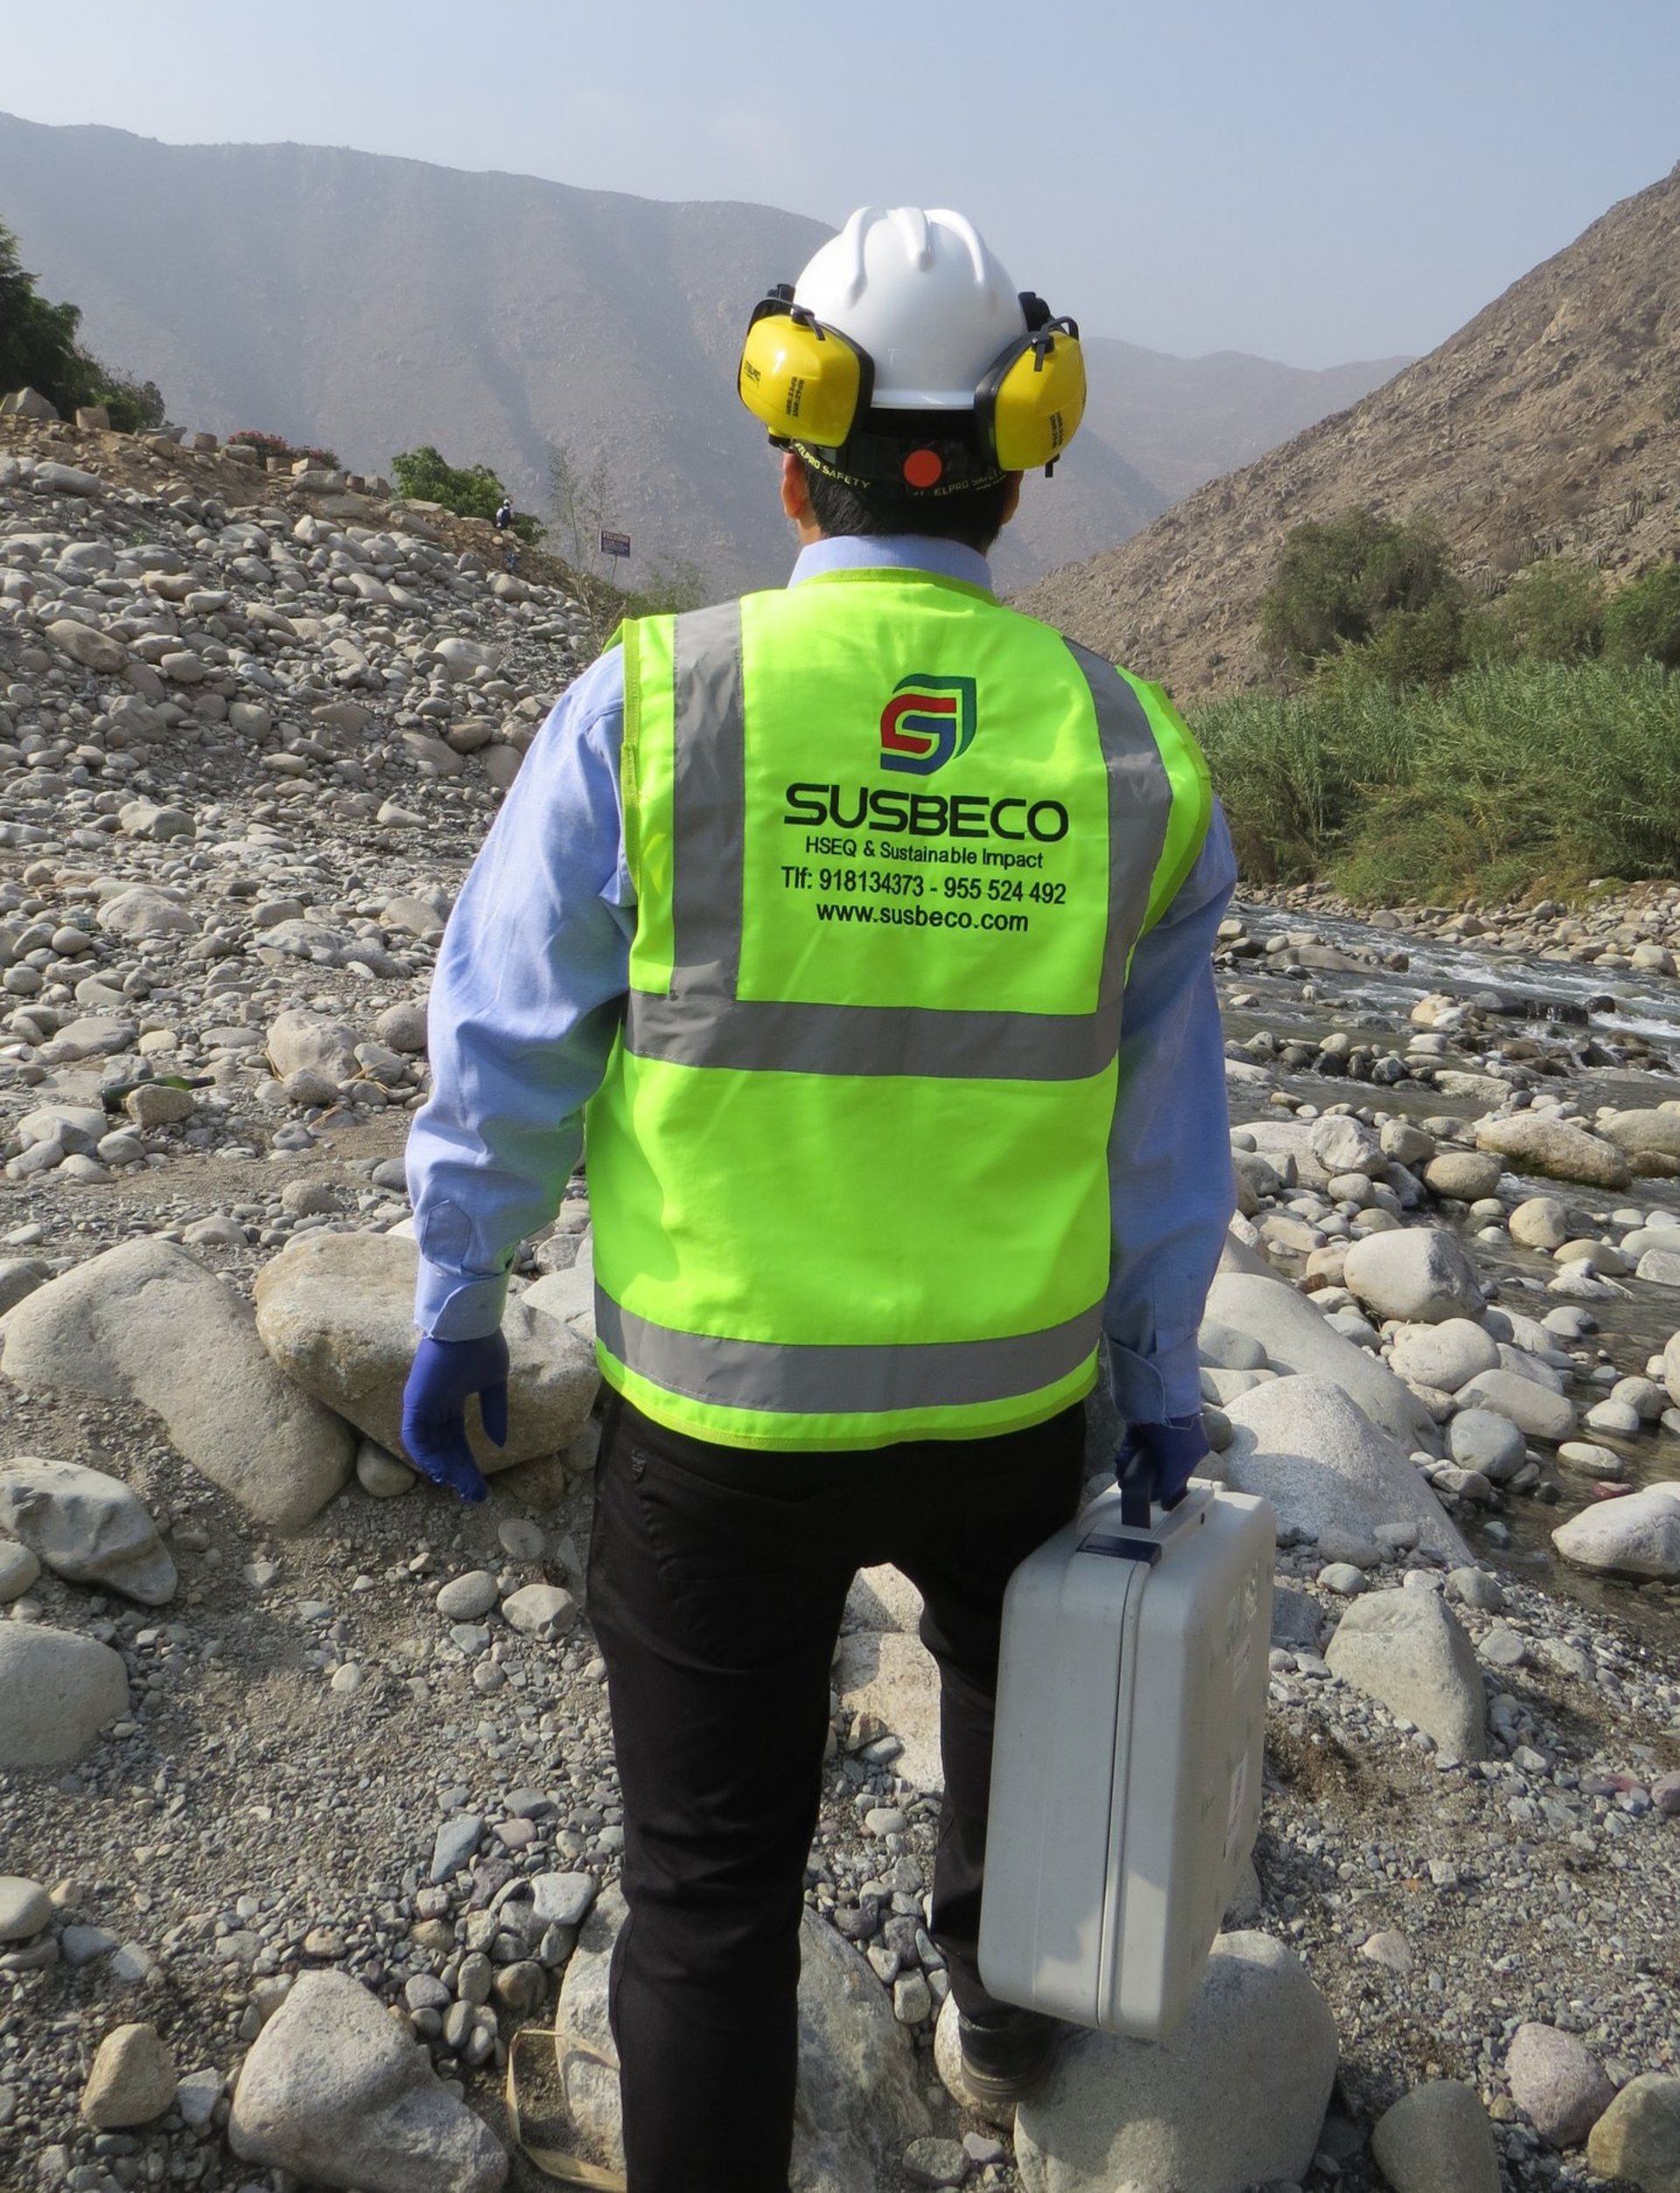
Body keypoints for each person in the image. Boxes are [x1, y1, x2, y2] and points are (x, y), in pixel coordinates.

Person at [401, 207, 1237, 2193]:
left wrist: (455, 1290)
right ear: (1023, 472)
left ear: (794, 455)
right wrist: (1158, 1366)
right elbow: (1163, 1132)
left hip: (717, 1430)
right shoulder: (1128, 751)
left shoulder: (658, 703)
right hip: (1010, 1414)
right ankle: (998, 2016)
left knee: (704, 1896)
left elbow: (507, 1041)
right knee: (1011, 1712)